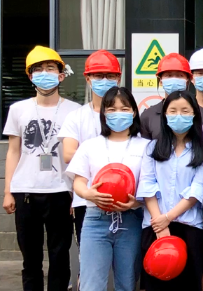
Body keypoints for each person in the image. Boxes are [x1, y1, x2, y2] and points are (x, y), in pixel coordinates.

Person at [3, 46, 80, 291]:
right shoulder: (18, 109)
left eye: (50, 68)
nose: (44, 73)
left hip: (61, 192)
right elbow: (13, 151)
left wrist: (76, 192)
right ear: (30, 76)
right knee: (31, 258)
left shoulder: (74, 111)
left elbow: (79, 156)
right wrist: (8, 191)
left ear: (61, 75)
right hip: (25, 192)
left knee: (60, 257)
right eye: (38, 69)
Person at [66, 86, 149, 291]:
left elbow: (151, 185)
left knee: (127, 283)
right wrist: (88, 194)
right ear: (103, 114)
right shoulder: (89, 145)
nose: (118, 114)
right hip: (96, 219)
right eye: (111, 109)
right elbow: (78, 182)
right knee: (91, 284)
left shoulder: (147, 146)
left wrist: (136, 202)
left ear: (134, 112)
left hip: (132, 219)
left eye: (124, 109)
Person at [137, 91, 203, 291]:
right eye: (173, 111)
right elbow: (147, 185)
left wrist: (168, 218)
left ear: (194, 114)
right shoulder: (151, 148)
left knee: (188, 285)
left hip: (189, 227)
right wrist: (160, 224)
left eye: (185, 111)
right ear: (165, 115)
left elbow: (197, 189)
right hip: (155, 226)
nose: (179, 116)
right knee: (155, 285)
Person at [60, 49, 122, 244]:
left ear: (118, 79)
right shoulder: (76, 117)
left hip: (123, 198)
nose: (104, 80)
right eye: (98, 76)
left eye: (110, 76)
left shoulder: (127, 115)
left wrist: (87, 157)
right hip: (86, 199)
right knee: (89, 256)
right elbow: (68, 154)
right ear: (88, 79)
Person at [140, 53, 203, 140]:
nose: (174, 79)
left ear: (187, 81)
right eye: (169, 75)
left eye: (179, 75)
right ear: (160, 81)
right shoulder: (148, 116)